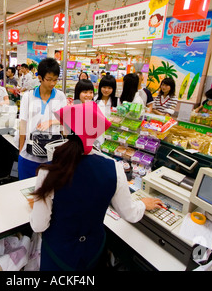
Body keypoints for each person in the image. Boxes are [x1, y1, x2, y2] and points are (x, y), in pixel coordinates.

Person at [30, 101, 164, 271]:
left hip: (58, 254)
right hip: (93, 253)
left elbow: (39, 225)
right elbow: (130, 213)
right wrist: (143, 204)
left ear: (66, 130)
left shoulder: (49, 171)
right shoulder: (114, 169)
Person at [18, 58, 67, 180]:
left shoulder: (60, 96)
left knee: (49, 193)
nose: (52, 83)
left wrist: (52, 121)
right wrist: (20, 149)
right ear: (40, 77)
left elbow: (66, 121)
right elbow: (23, 124)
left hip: (52, 156)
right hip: (29, 155)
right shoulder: (28, 97)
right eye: (49, 79)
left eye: (55, 80)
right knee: (26, 192)